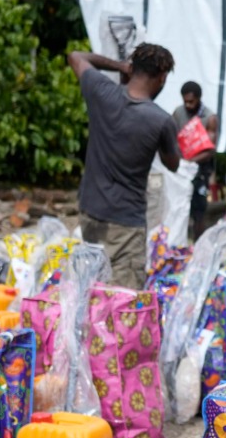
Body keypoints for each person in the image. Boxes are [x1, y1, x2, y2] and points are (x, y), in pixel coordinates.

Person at [67, 43, 180, 287]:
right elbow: (173, 163)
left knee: (92, 289)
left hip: (90, 213)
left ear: (132, 69)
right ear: (161, 78)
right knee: (122, 304)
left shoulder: (101, 92)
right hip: (125, 224)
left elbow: (76, 56)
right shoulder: (161, 121)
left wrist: (119, 66)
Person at [170, 81, 218, 237]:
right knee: (177, 208)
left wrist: (190, 162)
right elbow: (171, 137)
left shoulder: (209, 118)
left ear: (199, 98)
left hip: (200, 171)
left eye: (191, 101)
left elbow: (210, 149)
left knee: (199, 210)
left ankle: (197, 244)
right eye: (185, 101)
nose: (188, 105)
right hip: (180, 169)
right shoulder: (178, 113)